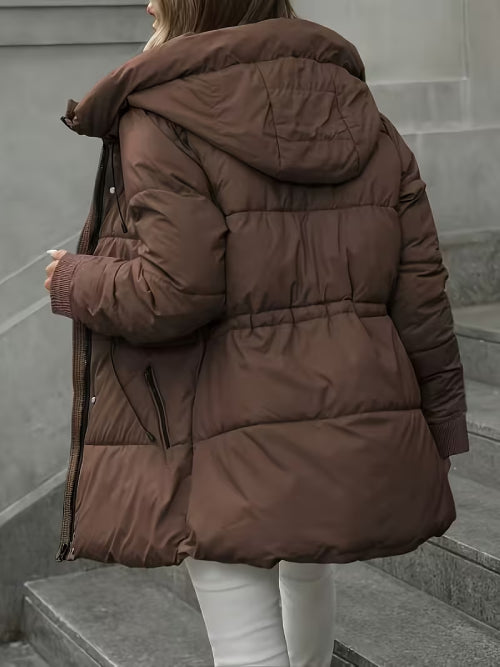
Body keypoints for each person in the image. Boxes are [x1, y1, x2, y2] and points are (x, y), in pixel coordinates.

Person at [44, 1, 470, 665]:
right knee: (308, 571)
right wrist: (441, 425)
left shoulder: (163, 116)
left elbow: (175, 290)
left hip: (223, 429)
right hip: (345, 407)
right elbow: (421, 293)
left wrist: (75, 279)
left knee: (244, 632)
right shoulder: (361, 115)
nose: (147, 1)